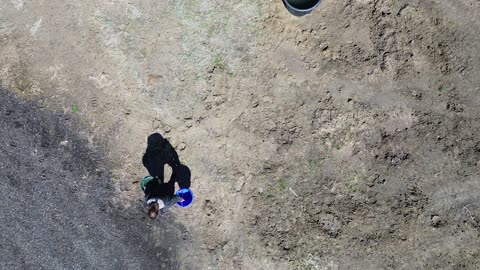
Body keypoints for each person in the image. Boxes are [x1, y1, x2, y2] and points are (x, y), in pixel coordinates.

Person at [141, 133, 189, 219]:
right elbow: (147, 189)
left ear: (158, 211)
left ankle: (175, 168)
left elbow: (176, 198)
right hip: (158, 185)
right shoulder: (147, 199)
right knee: (160, 177)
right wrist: (153, 182)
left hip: (168, 188)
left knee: (173, 178)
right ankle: (162, 163)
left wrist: (181, 199)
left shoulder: (166, 204)